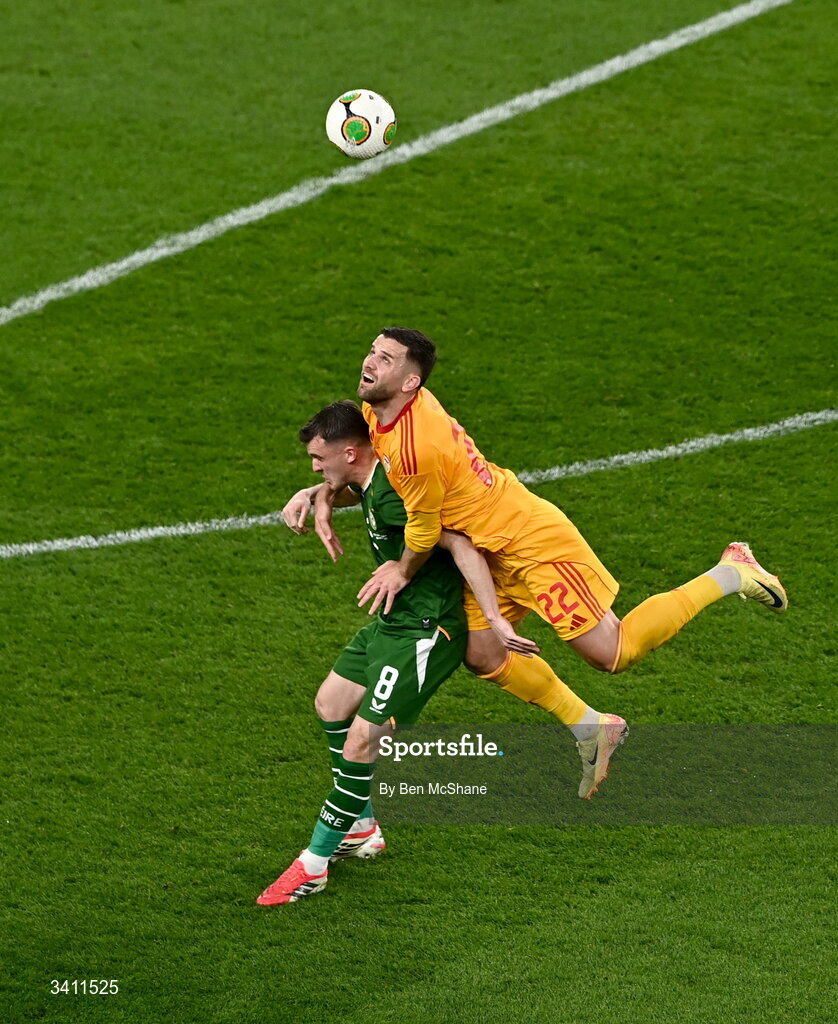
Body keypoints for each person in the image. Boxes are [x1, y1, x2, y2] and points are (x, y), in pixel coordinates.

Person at [317, 327, 788, 801]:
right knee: (480, 652)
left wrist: (400, 569)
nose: (370, 361)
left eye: (386, 358)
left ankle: (731, 572)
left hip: (528, 542)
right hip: (486, 546)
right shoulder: (376, 413)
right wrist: (322, 490)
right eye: (372, 351)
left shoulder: (420, 444)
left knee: (612, 652)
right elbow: (374, 474)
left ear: (410, 383)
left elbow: (421, 530)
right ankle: (592, 728)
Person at [257, 401, 530, 906]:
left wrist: (492, 618)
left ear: (351, 451)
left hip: (426, 631)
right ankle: (359, 827)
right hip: (393, 620)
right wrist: (315, 493)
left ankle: (313, 865)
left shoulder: (397, 493)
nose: (315, 466)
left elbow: (463, 546)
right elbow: (355, 489)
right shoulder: (371, 476)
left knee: (363, 741)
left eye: (320, 459)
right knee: (331, 704)